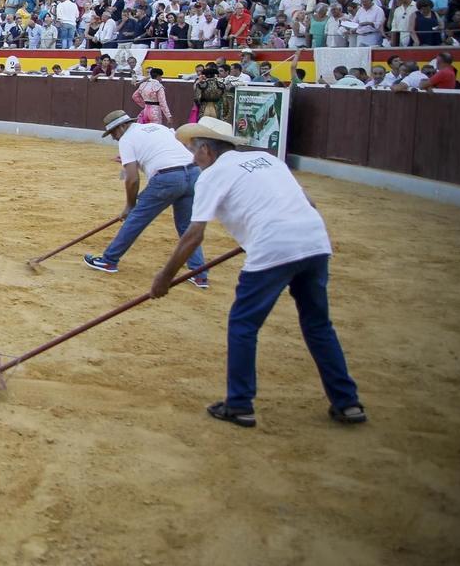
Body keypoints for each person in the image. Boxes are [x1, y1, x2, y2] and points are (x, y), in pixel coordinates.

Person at [152, 116, 365, 428]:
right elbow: (310, 202)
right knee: (319, 325)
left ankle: (239, 405)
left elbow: (193, 234)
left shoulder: (211, 176)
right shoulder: (267, 159)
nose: (193, 158)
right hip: (314, 242)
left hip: (272, 248)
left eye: (194, 151)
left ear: (208, 150)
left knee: (243, 325)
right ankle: (347, 403)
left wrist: (164, 277)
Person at [83, 111, 209, 285]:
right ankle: (199, 273)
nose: (113, 137)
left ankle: (109, 260)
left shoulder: (127, 139)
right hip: (194, 172)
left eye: (113, 132)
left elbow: (132, 178)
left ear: (123, 126)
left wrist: (130, 205)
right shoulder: (157, 127)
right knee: (187, 226)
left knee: (136, 219)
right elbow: (184, 147)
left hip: (167, 178)